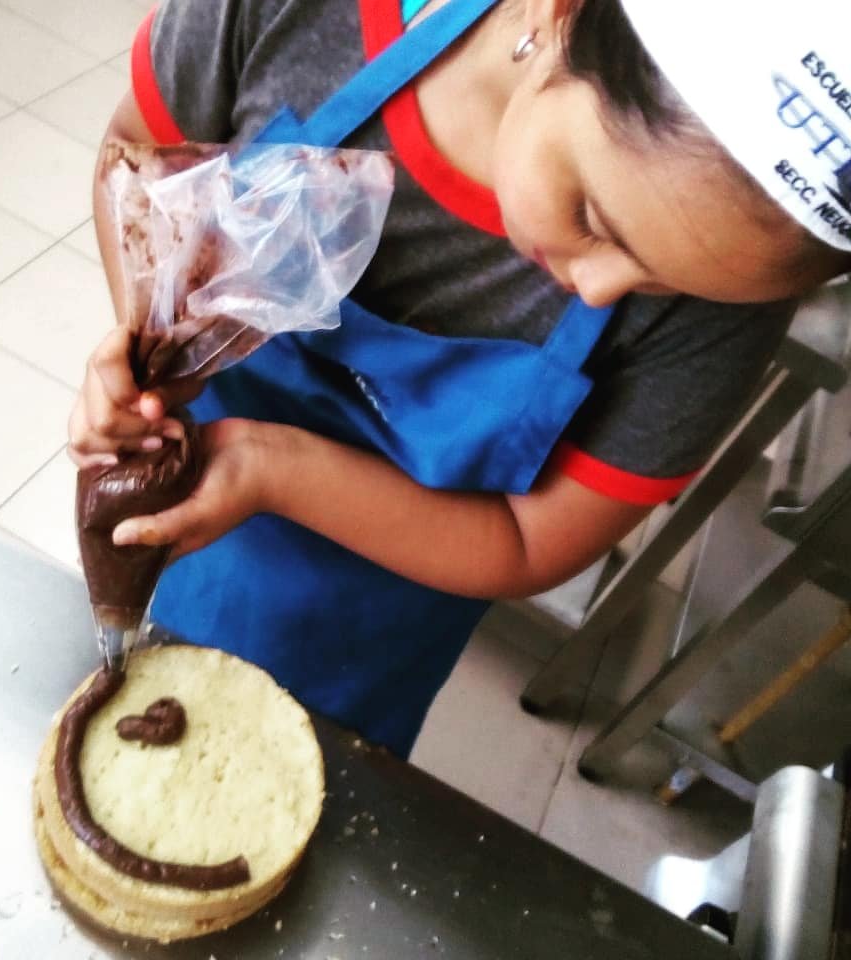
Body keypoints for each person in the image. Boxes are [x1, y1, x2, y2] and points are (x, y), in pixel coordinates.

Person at [68, 0, 851, 757]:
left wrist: (270, 468)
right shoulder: (303, 17)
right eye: (593, 218)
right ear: (557, 11)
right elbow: (137, 146)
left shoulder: (730, 314)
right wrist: (158, 335)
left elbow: (528, 540)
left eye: (664, 283)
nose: (598, 289)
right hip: (176, 516)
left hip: (372, 619)